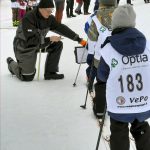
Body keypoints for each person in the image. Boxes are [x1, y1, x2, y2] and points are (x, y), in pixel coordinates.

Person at [98, 4, 150, 150]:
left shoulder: (108, 48)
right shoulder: (147, 45)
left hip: (119, 103)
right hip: (144, 101)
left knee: (119, 129)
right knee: (141, 127)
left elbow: (102, 75)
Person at [7, 0, 86, 82]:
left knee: (57, 45)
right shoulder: (29, 18)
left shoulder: (49, 18)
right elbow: (31, 41)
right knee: (27, 77)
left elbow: (61, 28)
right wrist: (49, 39)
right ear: (41, 8)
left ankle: (50, 73)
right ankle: (11, 64)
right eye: (48, 11)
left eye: (51, 10)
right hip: (25, 46)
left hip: (39, 44)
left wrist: (79, 40)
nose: (50, 13)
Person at [86, 0, 117, 119]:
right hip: (118, 55)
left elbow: (92, 39)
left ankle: (100, 109)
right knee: (115, 80)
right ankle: (117, 104)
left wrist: (90, 54)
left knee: (101, 81)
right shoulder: (122, 14)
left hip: (101, 56)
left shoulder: (96, 16)